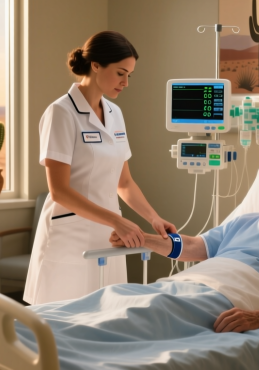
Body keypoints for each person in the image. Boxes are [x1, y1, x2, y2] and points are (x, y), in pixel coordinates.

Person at [109, 150, 259, 332]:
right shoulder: (244, 221)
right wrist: (140, 238)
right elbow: (192, 247)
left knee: (141, 316)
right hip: (192, 285)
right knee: (120, 301)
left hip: (228, 297)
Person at [24, 31, 176, 305]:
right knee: (63, 324)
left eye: (129, 75)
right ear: (96, 65)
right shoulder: (61, 113)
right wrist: (118, 221)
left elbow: (124, 183)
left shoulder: (115, 114)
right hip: (70, 238)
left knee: (108, 315)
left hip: (108, 237)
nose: (126, 82)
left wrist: (152, 217)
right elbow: (59, 191)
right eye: (120, 73)